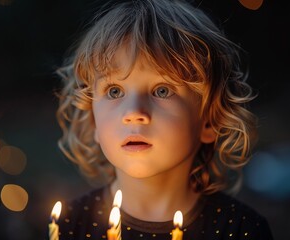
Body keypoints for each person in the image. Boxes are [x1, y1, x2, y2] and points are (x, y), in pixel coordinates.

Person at [53, 0, 274, 239]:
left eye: (162, 90)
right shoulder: (70, 225)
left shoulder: (241, 229)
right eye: (115, 91)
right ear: (93, 119)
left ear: (209, 120)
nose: (134, 113)